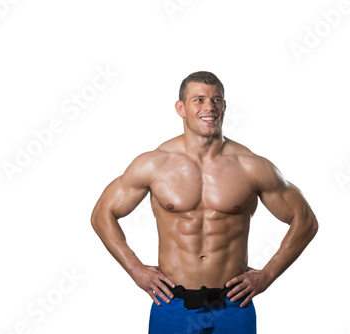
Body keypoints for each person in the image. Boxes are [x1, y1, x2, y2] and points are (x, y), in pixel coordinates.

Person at [91, 71, 318, 333]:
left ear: (224, 106)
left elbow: (305, 220)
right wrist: (135, 269)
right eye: (198, 100)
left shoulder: (251, 166)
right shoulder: (154, 164)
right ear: (181, 108)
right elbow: (102, 213)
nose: (209, 107)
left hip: (233, 305)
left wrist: (267, 275)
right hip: (171, 303)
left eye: (217, 100)